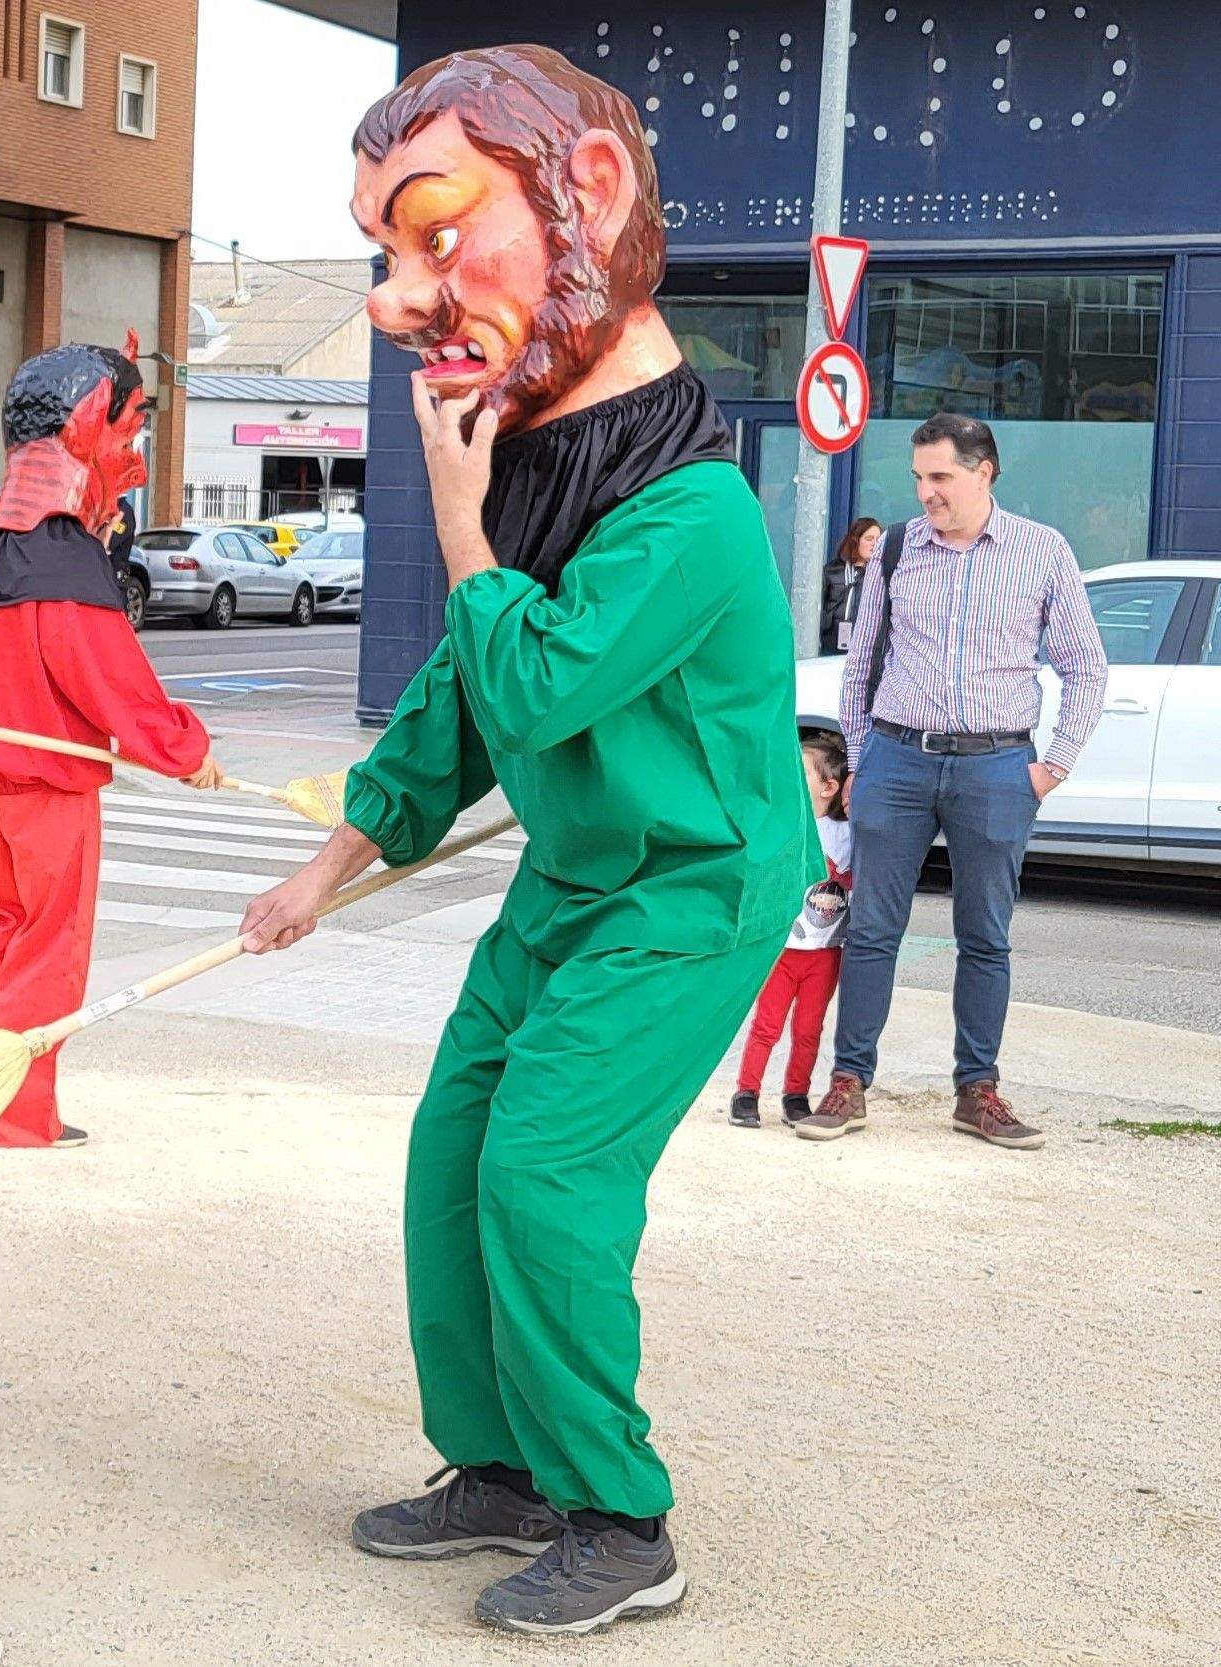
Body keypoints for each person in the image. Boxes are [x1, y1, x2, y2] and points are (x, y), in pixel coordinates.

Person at [240, 46, 814, 1636]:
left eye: (433, 235)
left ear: (597, 200)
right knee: (451, 1155)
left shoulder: (688, 510)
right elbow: (452, 708)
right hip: (572, 881)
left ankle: (621, 1514)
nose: (392, 296)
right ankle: (496, 1462)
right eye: (381, 252)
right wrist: (322, 871)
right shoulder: (547, 463)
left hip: (690, 890)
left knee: (547, 1173)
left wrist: (455, 513)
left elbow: (537, 685)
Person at [0, 337, 220, 1150]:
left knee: (5, 925)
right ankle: (16, 1111)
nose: (132, 456)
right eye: (129, 432)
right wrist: (184, 749)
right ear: (91, 424)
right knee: (47, 946)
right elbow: (112, 681)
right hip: (46, 780)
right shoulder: (61, 555)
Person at [811, 412, 1109, 1150]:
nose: (926, 492)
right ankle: (849, 1084)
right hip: (897, 758)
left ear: (984, 472)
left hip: (997, 766)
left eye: (940, 476)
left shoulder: (1042, 552)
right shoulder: (899, 549)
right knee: (873, 929)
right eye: (918, 477)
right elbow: (862, 664)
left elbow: (1086, 665)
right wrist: (858, 761)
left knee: (985, 936)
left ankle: (978, 1091)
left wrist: (1053, 766)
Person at [729, 732, 853, 1129]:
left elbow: (852, 877)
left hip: (826, 951)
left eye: (800, 774)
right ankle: (746, 1092)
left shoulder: (846, 834)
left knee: (808, 1029)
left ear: (828, 787)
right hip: (784, 948)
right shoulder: (783, 826)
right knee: (766, 1023)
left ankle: (795, 1094)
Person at [824, 517, 881, 655]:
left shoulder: (882, 574)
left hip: (867, 651)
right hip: (829, 649)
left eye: (878, 540)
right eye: (869, 539)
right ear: (855, 541)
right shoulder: (832, 571)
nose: (875, 544)